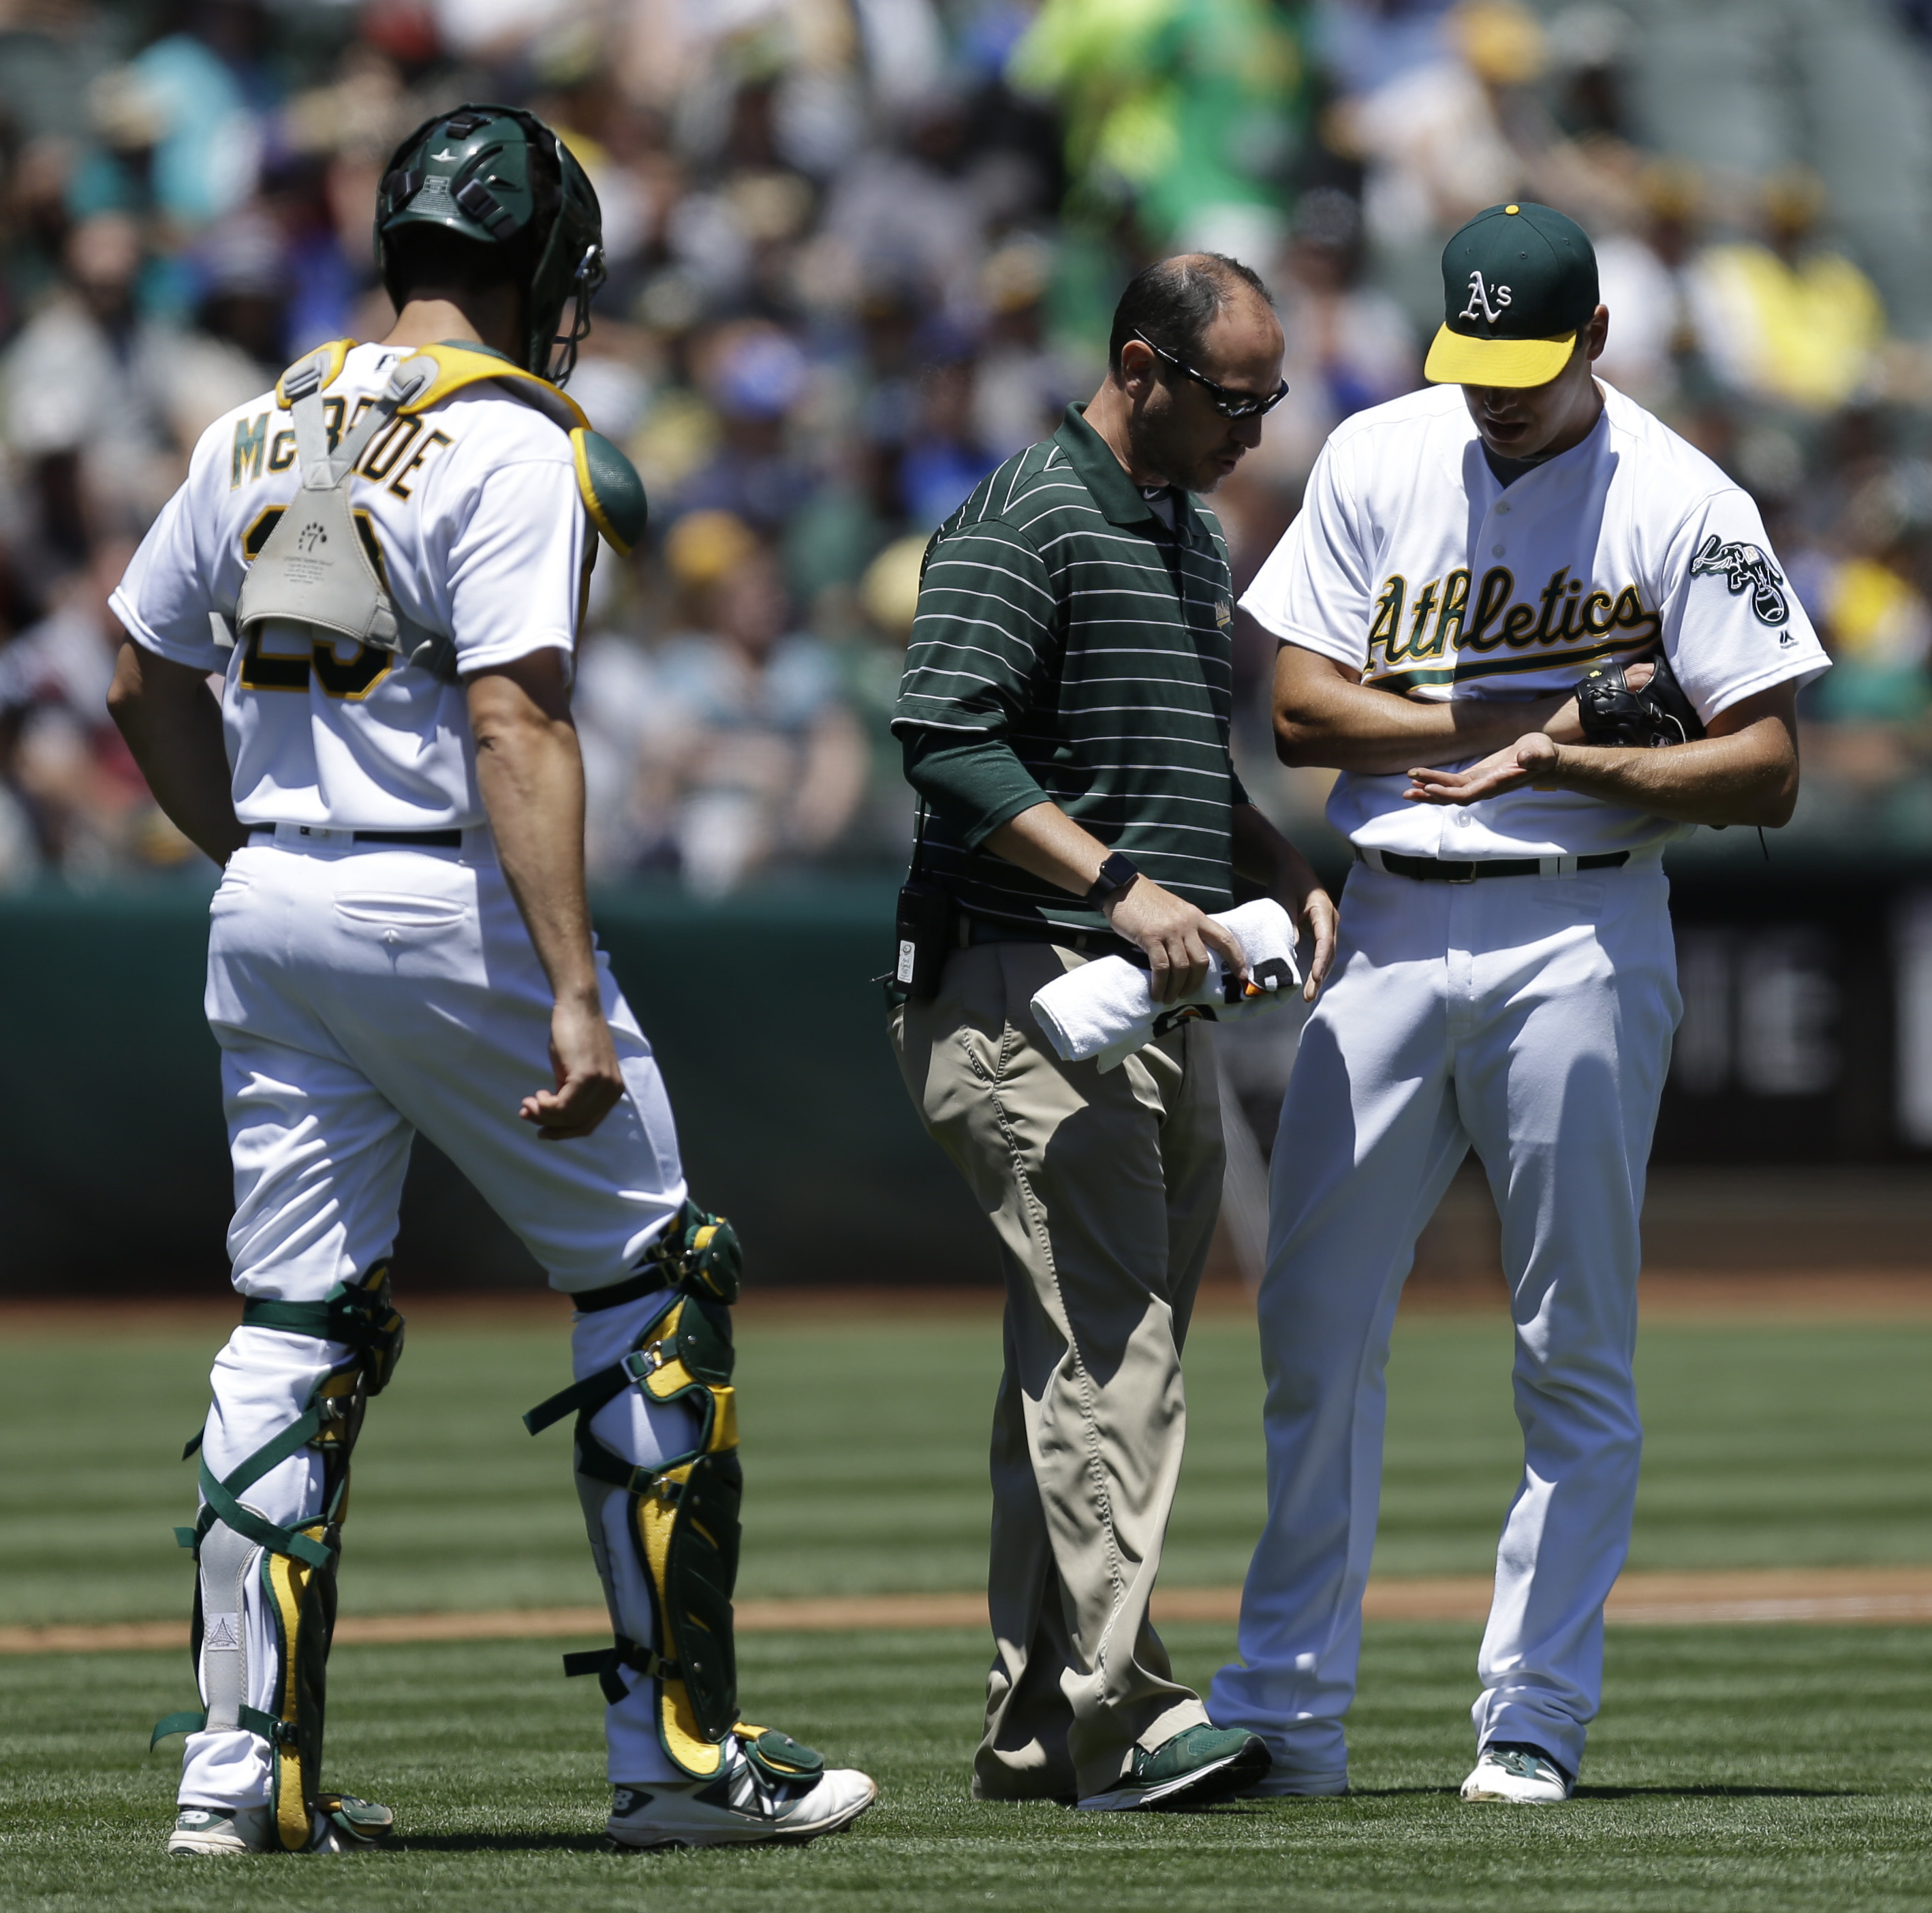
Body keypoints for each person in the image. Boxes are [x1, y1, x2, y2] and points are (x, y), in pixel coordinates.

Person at [106, 103, 874, 1857]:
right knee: (651, 1280)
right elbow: (516, 718)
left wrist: (249, 855)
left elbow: (137, 669)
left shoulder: (254, 419)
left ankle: (239, 1780)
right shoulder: (518, 444)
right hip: (440, 903)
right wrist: (571, 992)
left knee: (288, 1325)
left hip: (277, 901)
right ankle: (672, 1767)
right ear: (539, 271)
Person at [1208, 203, 1828, 1804]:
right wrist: (1501, 712)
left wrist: (1570, 755)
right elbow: (1291, 706)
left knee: (1570, 1342)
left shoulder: (1681, 498)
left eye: (1526, 364)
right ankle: (1283, 1714)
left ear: (1597, 340)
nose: (1494, 391)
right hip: (1397, 919)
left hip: (1578, 924)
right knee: (1311, 1324)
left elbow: (1763, 767)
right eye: (1472, 356)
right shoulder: (1377, 454)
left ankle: (1531, 1715)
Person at [888, 253, 1339, 1812]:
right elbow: (941, 734)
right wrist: (1126, 884)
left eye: (1269, 400)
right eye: (1233, 399)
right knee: (1113, 1354)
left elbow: (1165, 757)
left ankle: (1032, 1730)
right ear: (1138, 367)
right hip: (1026, 983)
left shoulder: (1181, 529)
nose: (1255, 432)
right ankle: (1127, 1716)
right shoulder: (1027, 510)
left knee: (1079, 1364)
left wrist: (1270, 860)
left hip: (1146, 989)